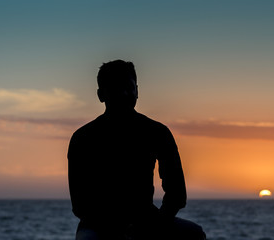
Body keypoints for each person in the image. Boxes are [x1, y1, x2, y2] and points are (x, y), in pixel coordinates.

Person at [68, 60, 206, 240]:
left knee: (195, 234)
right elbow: (80, 204)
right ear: (101, 95)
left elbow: (177, 193)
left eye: (129, 88)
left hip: (148, 220)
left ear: (137, 91)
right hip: (97, 225)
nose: (124, 94)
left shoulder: (157, 132)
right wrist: (115, 228)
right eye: (115, 89)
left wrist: (154, 224)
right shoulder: (83, 138)